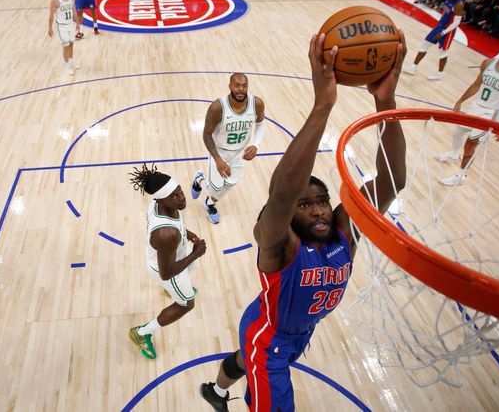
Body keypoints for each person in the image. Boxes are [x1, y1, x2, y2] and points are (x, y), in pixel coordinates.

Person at [200, 31, 408, 411]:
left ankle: (214, 392)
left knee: (240, 354)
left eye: (323, 201)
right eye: (305, 204)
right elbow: (281, 193)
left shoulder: (343, 233)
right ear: (288, 214)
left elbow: (392, 181)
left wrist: (385, 103)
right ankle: (224, 386)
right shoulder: (279, 246)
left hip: (292, 330)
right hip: (270, 341)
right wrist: (322, 107)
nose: (317, 210)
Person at [128, 164, 207, 360]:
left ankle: (171, 289)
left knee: (192, 266)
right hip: (168, 269)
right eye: (175, 196)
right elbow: (167, 273)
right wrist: (196, 253)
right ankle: (141, 333)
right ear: (162, 198)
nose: (181, 197)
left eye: (180, 191)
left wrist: (186, 233)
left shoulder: (158, 204)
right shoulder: (166, 234)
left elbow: (175, 225)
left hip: (168, 255)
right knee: (187, 304)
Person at [435, 39, 499, 186]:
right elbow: (476, 85)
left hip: (491, 114)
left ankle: (461, 176)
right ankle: (453, 154)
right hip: (476, 107)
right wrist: (460, 101)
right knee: (458, 133)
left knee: (470, 144)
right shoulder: (488, 63)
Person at [190, 73, 266, 224]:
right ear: (230, 86)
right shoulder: (217, 107)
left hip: (240, 154)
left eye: (244, 86)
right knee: (215, 187)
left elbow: (261, 123)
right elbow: (206, 135)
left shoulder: (256, 103)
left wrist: (255, 145)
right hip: (219, 152)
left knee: (230, 184)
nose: (240, 89)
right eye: (237, 85)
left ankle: (209, 201)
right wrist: (218, 159)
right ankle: (201, 181)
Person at [403, 0, 464, 81]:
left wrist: (443, 33)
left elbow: (457, 22)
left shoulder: (459, 4)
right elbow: (446, 14)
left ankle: (440, 74)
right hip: (439, 27)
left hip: (448, 31)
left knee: (442, 52)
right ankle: (413, 68)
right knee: (424, 45)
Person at [47, 0, 80, 76]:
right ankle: (67, 65)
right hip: (61, 26)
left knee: (71, 43)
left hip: (70, 24)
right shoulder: (55, 0)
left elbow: (74, 10)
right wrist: (50, 28)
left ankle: (71, 61)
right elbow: (51, 15)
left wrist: (77, 22)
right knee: (66, 45)